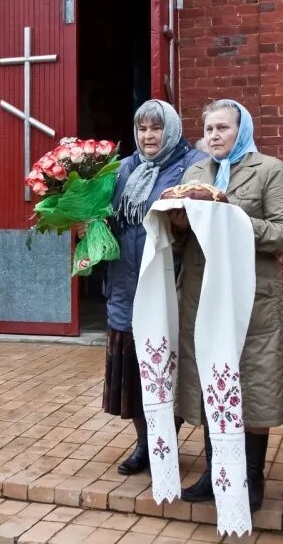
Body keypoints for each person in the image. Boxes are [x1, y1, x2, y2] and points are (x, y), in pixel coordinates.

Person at [171, 99, 283, 511]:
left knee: (253, 382)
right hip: (202, 294)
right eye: (208, 129)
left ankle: (250, 476)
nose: (213, 136)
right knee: (211, 379)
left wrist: (231, 216)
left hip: (251, 300)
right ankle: (215, 473)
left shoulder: (269, 170)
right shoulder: (195, 172)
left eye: (222, 128)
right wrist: (175, 221)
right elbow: (183, 237)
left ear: (241, 130)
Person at [102, 99, 208, 475]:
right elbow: (108, 217)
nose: (149, 136)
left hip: (168, 284)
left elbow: (196, 224)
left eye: (156, 128)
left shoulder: (191, 164)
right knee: (134, 371)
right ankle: (144, 444)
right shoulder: (125, 167)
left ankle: (165, 443)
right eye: (143, 128)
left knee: (166, 369)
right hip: (124, 285)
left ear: (172, 129)